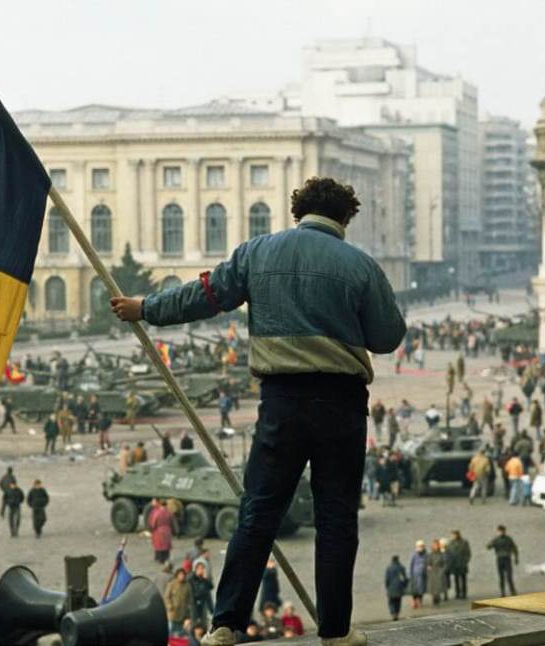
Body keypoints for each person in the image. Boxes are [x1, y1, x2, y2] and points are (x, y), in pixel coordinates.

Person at [110, 176, 405, 646]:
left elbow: (203, 296)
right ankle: (335, 631)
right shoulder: (361, 265)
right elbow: (388, 337)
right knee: (335, 519)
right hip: (341, 404)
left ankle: (225, 625)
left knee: (258, 514)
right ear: (345, 217)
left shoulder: (257, 253)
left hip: (280, 402)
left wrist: (145, 308)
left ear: (297, 211)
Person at [487, 525, 519, 597]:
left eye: (502, 531)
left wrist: (516, 558)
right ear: (498, 531)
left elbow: (514, 548)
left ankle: (512, 591)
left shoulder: (508, 539)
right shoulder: (496, 539)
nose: (501, 532)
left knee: (509, 576)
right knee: (501, 577)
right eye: (500, 531)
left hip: (507, 559)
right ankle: (503, 592)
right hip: (500, 559)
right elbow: (488, 547)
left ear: (505, 531)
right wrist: (491, 543)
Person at [164, 569, 192, 637]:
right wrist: (169, 606)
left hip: (183, 614)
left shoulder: (187, 585)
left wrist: (189, 611)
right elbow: (167, 596)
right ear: (177, 575)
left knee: (181, 633)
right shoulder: (172, 584)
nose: (182, 576)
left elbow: (190, 599)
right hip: (173, 613)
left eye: (183, 575)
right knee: (170, 631)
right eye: (180, 575)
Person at [445, 530, 471, 600]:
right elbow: (448, 553)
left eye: (455, 535)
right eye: (453, 535)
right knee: (456, 580)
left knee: (463, 579)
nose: (454, 536)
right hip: (454, 564)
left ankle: (464, 593)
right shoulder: (450, 543)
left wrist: (466, 561)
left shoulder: (464, 542)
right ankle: (457, 593)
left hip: (462, 563)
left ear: (458, 535)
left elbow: (468, 552)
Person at [147, 498, 173, 563]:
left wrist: (151, 529)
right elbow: (172, 521)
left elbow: (153, 523)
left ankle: (160, 558)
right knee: (166, 545)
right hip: (167, 530)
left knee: (159, 545)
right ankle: (166, 558)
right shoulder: (169, 512)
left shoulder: (157, 512)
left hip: (158, 530)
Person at [189, 563, 214, 627]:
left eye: (202, 568)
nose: (201, 570)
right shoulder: (191, 579)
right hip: (194, 605)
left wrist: (205, 579)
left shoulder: (204, 579)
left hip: (203, 604)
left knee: (204, 624)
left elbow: (211, 586)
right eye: (199, 568)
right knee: (194, 625)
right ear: (196, 569)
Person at [383, 556, 408, 621]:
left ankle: (393, 613)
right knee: (398, 601)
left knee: (391, 602)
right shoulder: (401, 567)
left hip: (391, 588)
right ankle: (397, 613)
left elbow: (386, 579)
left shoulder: (389, 568)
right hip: (399, 587)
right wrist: (404, 586)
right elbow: (405, 578)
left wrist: (387, 587)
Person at [426, 540, 448, 606]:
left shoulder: (442, 554)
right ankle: (434, 599)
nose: (436, 546)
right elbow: (428, 563)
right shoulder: (430, 554)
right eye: (435, 545)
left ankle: (438, 599)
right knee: (433, 587)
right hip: (432, 572)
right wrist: (428, 567)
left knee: (438, 587)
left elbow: (445, 563)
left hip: (439, 571)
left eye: (437, 545)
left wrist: (442, 571)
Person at [408, 541, 428, 609]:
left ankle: (419, 601)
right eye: (419, 547)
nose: (420, 548)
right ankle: (414, 601)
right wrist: (410, 574)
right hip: (415, 575)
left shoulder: (426, 555)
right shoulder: (414, 555)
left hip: (422, 575)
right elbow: (411, 565)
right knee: (414, 589)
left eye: (421, 546)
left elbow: (427, 564)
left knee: (421, 589)